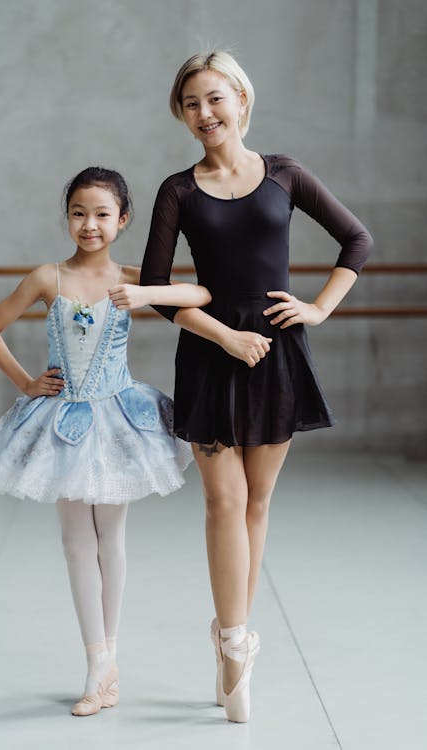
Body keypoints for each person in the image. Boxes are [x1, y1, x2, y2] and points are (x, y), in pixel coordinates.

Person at [132, 50, 373, 723]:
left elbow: (356, 240)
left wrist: (319, 307)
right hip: (212, 356)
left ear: (241, 98)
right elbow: (156, 293)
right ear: (181, 115)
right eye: (190, 104)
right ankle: (237, 645)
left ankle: (228, 630)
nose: (204, 114)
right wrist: (225, 336)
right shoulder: (177, 191)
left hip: (278, 357)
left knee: (257, 505)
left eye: (214, 99)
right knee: (222, 502)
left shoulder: (286, 175)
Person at [0, 166, 211, 716]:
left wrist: (146, 290)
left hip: (118, 420)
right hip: (61, 421)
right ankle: (96, 665)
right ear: (67, 218)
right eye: (79, 213)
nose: (89, 224)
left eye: (103, 214)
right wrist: (26, 383)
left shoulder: (128, 280)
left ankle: (110, 661)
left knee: (114, 538)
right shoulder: (47, 278)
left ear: (123, 220)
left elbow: (201, 291)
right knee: (76, 542)